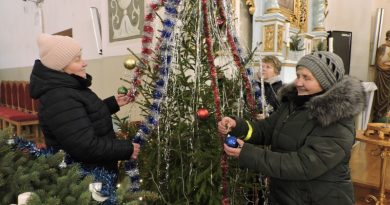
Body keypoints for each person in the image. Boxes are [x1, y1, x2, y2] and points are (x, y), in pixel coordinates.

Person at [218, 51, 365, 205]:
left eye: (306, 77)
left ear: (326, 82)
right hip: (287, 195)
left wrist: (247, 153)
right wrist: (237, 126)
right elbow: (266, 129)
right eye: (298, 75)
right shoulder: (293, 103)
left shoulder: (337, 118)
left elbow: (303, 165)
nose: (298, 83)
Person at [30, 33, 140, 174]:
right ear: (61, 67)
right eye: (77, 60)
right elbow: (85, 146)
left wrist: (112, 103)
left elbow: (79, 117)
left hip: (94, 173)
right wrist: (127, 149)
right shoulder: (59, 97)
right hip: (84, 180)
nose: (84, 63)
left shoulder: (68, 87)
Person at [373, 30, 390, 122]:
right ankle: (379, 119)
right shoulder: (382, 48)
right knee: (381, 99)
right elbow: (379, 64)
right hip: (383, 78)